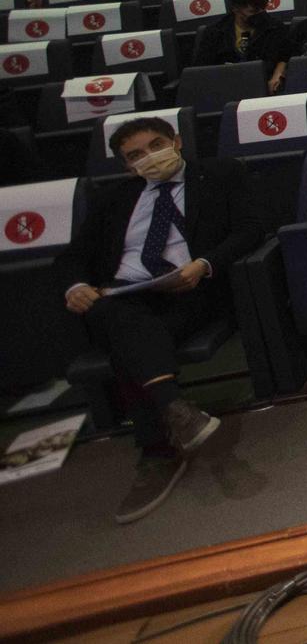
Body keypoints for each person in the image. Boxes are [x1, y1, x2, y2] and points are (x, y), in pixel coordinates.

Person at [57, 117, 267, 523]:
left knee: (129, 339)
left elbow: (251, 228)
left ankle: (156, 450)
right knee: (119, 317)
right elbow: (71, 257)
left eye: (156, 145)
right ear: (126, 166)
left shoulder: (221, 173)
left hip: (189, 290)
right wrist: (75, 286)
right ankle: (174, 409)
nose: (149, 157)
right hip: (123, 295)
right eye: (135, 155)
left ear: (176, 140)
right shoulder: (114, 198)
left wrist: (204, 264)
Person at [191, 0, 290, 92]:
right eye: (253, 12)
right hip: (224, 86)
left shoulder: (275, 28)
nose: (260, 15)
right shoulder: (215, 32)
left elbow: (284, 56)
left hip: (262, 84)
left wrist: (278, 74)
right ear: (236, 9)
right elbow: (201, 68)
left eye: (262, 10)